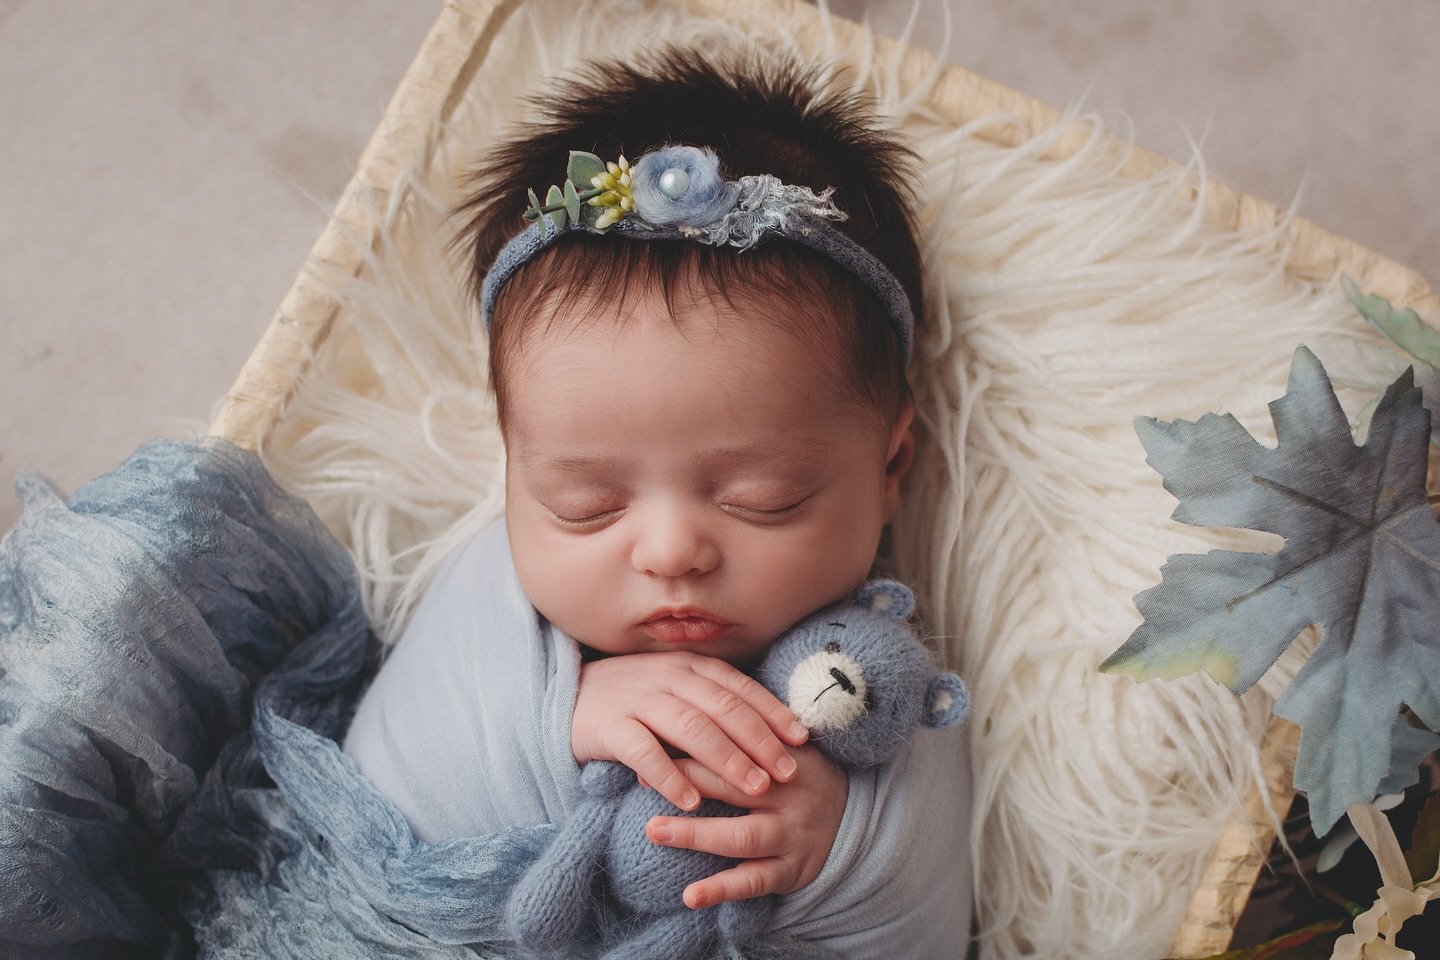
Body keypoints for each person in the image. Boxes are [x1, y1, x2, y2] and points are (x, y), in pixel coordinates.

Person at [341, 45, 972, 957]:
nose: (670, 552)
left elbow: (931, 924)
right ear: (515, 467)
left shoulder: (886, 687)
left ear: (891, 465)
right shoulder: (497, 612)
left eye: (766, 498)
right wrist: (553, 722)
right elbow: (375, 790)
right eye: (584, 501)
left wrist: (838, 848)